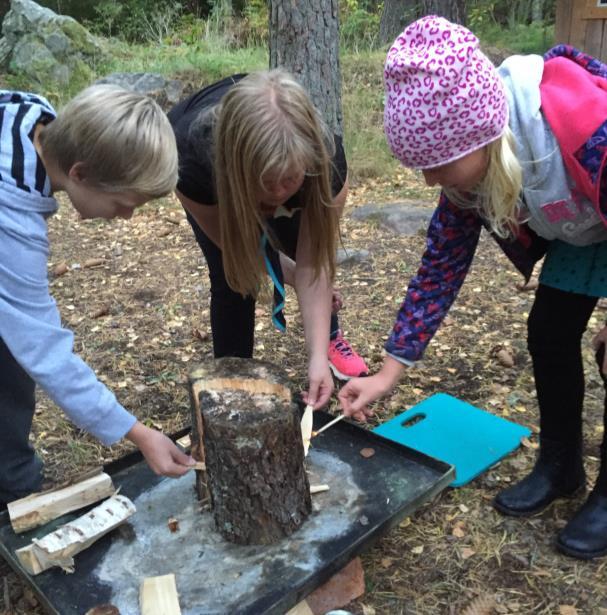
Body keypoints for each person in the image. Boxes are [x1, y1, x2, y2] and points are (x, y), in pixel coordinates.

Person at [338, 15, 607, 559]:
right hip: (584, 227)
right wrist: (388, 374)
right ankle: (561, 464)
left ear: (485, 135)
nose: (428, 181)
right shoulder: (473, 177)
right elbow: (439, 271)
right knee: (549, 332)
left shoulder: (585, 132)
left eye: (437, 165)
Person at [0, 84, 195, 506]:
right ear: (80, 173)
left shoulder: (36, 117)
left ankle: (11, 475)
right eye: (124, 203)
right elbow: (45, 351)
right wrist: (137, 432)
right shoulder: (11, 223)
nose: (125, 216)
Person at [168, 70, 368, 410]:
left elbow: (312, 263)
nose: (276, 193)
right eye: (265, 181)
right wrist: (285, 273)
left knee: (297, 246)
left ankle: (327, 342)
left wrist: (316, 359)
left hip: (283, 170)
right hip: (215, 178)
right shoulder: (190, 162)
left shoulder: (326, 164)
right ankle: (233, 387)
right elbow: (237, 249)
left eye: (287, 179)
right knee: (233, 279)